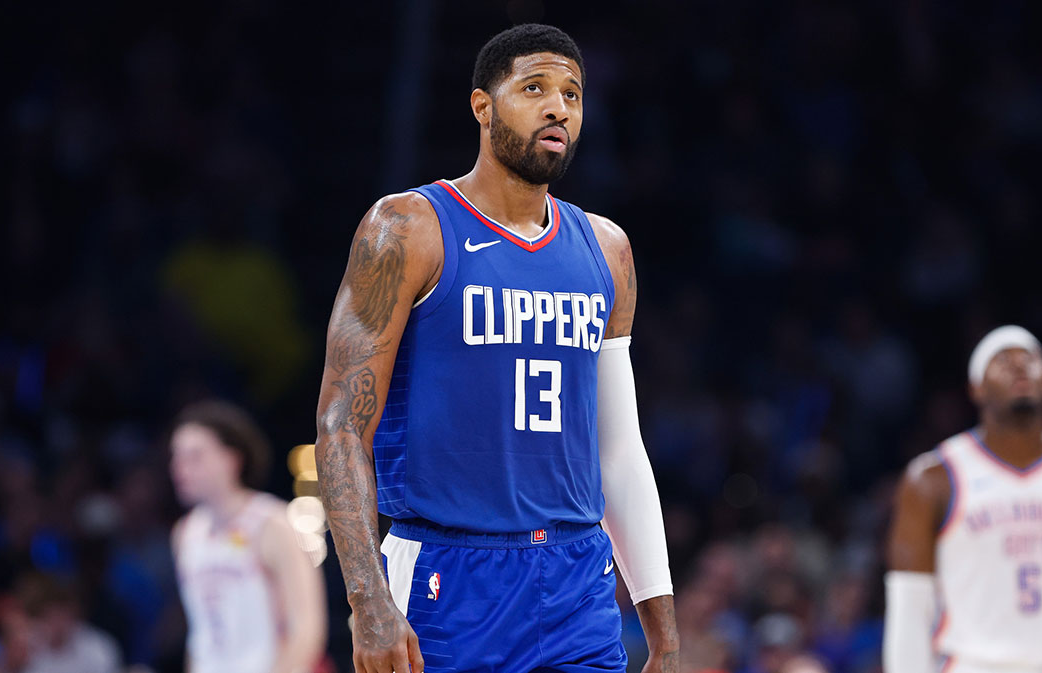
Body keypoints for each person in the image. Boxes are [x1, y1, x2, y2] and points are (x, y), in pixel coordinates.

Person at [314, 23, 678, 673]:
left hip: (575, 581)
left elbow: (620, 449)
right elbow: (341, 424)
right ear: (483, 106)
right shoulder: (407, 227)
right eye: (534, 87)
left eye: (572, 93)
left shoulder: (608, 249)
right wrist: (367, 599)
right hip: (445, 575)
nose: (557, 106)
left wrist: (665, 634)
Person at [884, 326, 1042, 673]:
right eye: (1002, 360)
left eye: (1030, 359)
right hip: (976, 663)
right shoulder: (933, 479)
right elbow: (910, 609)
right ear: (976, 388)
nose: (1019, 367)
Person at [170, 400, 328, 673]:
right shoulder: (184, 535)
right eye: (176, 457)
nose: (180, 468)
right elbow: (201, 632)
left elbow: (308, 628)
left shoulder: (271, 523)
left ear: (231, 459)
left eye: (195, 456)